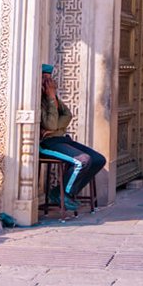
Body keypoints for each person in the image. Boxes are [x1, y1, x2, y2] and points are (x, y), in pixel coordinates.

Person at [38, 64, 106, 212]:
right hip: (46, 144)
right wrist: (50, 99)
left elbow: (67, 116)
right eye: (44, 78)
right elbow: (50, 124)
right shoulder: (38, 99)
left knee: (98, 159)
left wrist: (54, 127)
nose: (48, 83)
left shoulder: (53, 97)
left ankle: (63, 191)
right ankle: (64, 194)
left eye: (49, 79)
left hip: (60, 139)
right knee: (83, 160)